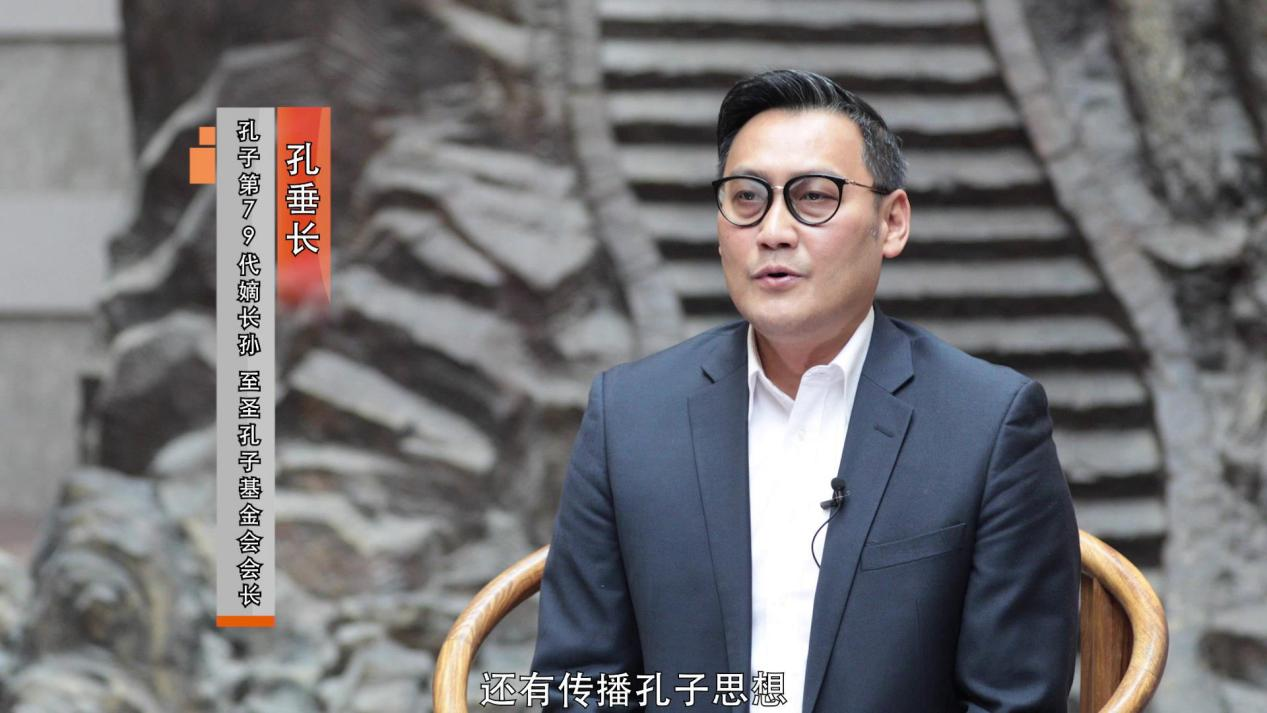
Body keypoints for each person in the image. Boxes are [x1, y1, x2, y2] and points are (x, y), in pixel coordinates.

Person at [529, 69, 1080, 713]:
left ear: (892, 222)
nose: (773, 231)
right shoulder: (629, 415)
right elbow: (578, 685)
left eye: (814, 197)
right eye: (746, 198)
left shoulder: (987, 424)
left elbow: (1013, 699)